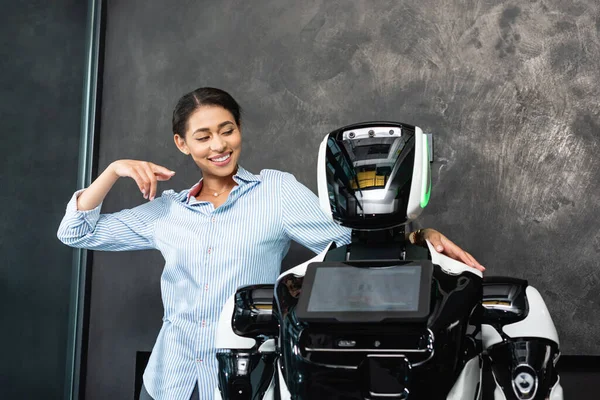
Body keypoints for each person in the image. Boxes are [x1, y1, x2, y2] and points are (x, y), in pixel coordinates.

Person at [57, 87, 484, 400]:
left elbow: (351, 239)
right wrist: (113, 170)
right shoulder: (166, 211)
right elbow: (76, 232)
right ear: (182, 144)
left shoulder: (275, 192)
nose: (219, 145)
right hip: (168, 381)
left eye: (227, 130)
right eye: (203, 136)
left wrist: (418, 236)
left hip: (245, 379)